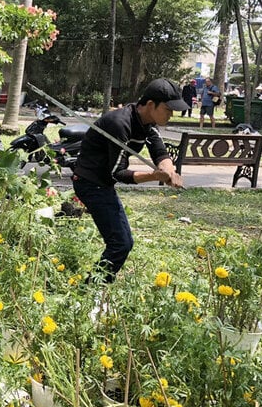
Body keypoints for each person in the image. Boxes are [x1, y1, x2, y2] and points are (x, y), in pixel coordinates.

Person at [71, 78, 186, 283]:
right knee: (121, 243)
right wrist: (154, 176)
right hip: (90, 183)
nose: (171, 114)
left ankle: (94, 287)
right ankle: (91, 290)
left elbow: (160, 152)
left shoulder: (147, 123)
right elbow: (118, 173)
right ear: (151, 105)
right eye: (168, 109)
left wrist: (170, 171)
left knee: (122, 242)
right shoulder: (120, 123)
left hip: (102, 183)